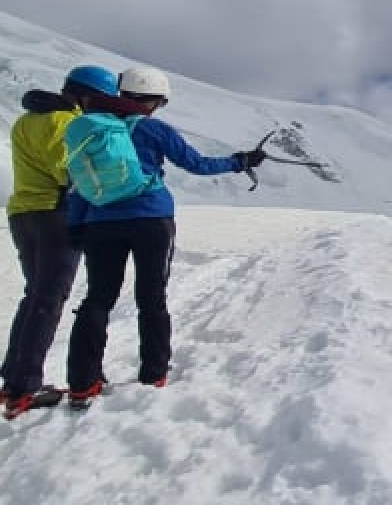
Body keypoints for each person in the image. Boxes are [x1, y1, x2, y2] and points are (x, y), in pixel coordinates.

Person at [64, 66, 266, 406]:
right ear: (153, 101)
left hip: (101, 221)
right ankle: (153, 374)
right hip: (152, 218)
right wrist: (240, 161)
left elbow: (80, 183)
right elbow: (197, 164)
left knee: (97, 299)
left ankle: (82, 383)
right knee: (151, 298)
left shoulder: (93, 130)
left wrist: (76, 226)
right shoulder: (153, 129)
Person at [0, 65, 119, 419]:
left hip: (23, 213)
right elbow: (67, 172)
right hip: (54, 214)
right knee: (48, 299)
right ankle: (25, 388)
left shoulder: (26, 121)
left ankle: (13, 380)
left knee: (36, 295)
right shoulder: (65, 122)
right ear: (88, 97)